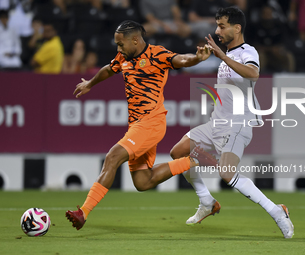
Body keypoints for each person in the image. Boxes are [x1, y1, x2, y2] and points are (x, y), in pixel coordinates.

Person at [65, 20, 217, 230]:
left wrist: (196, 59)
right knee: (143, 182)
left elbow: (180, 59)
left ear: (135, 40)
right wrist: (90, 84)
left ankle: (84, 212)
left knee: (112, 157)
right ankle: (193, 159)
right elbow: (109, 69)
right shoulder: (123, 57)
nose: (118, 49)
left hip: (151, 123)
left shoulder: (157, 54)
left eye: (121, 44)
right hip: (137, 125)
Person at [170, 7, 294, 238]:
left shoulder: (248, 51)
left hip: (238, 123)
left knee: (227, 174)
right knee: (178, 153)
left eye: (222, 26)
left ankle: (277, 211)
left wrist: (223, 56)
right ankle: (206, 201)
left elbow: (253, 74)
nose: (217, 31)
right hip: (216, 123)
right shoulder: (224, 57)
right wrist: (202, 57)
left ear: (237, 28)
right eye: (217, 26)